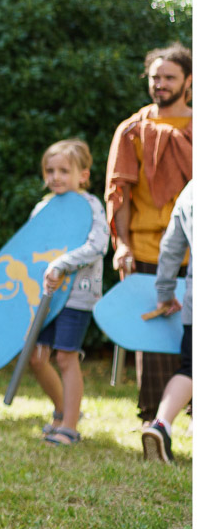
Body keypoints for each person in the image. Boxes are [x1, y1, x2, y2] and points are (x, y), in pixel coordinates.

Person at [105, 44, 192, 421]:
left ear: (188, 81)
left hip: (194, 251)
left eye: (169, 77)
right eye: (155, 77)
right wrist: (121, 244)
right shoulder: (132, 131)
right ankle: (153, 418)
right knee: (153, 339)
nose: (160, 84)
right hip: (144, 246)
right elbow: (119, 195)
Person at [23, 140, 109, 446]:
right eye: (50, 170)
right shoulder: (43, 207)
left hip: (78, 294)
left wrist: (62, 264)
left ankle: (70, 426)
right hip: (47, 294)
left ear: (83, 175)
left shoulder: (91, 206)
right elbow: (32, 248)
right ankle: (63, 411)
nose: (55, 177)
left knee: (66, 358)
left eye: (64, 170)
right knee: (35, 357)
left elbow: (98, 246)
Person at [141, 180, 192, 463]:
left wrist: (165, 292)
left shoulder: (192, 191)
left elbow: (171, 248)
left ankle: (161, 425)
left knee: (191, 369)